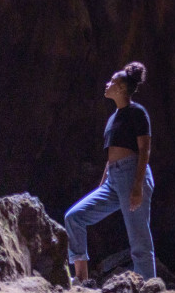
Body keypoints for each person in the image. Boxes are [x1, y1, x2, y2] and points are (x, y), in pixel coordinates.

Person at [65, 62, 156, 285]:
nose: (107, 84)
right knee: (74, 217)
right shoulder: (113, 118)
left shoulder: (137, 112)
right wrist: (103, 183)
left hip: (132, 175)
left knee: (139, 240)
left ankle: (148, 286)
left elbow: (144, 149)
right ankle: (82, 280)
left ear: (122, 88)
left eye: (112, 82)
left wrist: (137, 185)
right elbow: (112, 154)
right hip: (114, 180)